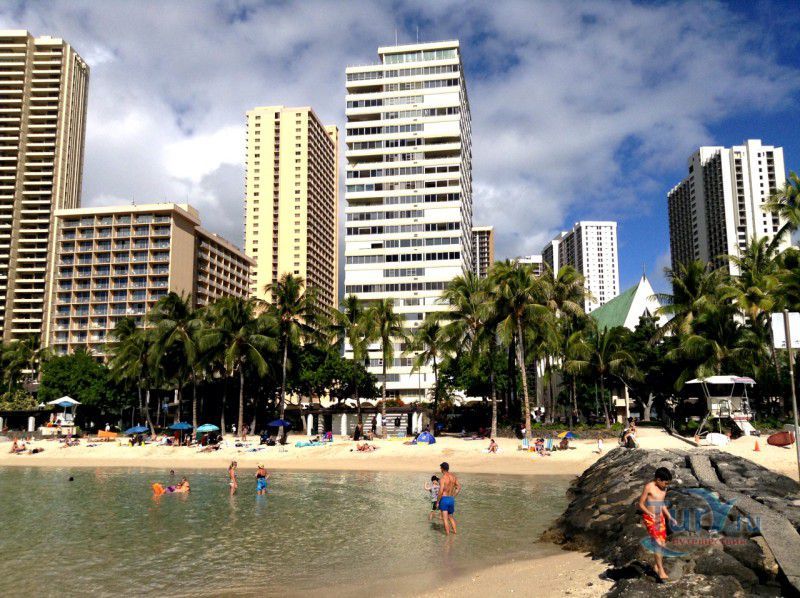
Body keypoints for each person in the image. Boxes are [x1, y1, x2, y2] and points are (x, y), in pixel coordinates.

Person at [637, 467, 678, 582]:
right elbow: (640, 504)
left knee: (663, 544)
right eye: (665, 483)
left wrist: (669, 517)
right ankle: (660, 570)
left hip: (660, 518)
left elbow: (661, 503)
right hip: (650, 518)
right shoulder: (649, 487)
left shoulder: (664, 488)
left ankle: (656, 565)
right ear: (658, 479)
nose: (666, 485)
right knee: (658, 544)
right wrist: (649, 513)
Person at [436, 462, 461, 535]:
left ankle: (447, 536)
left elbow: (441, 491)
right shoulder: (453, 477)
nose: (440, 469)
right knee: (450, 517)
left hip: (444, 499)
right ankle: (455, 533)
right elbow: (459, 487)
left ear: (442, 469)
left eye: (440, 468)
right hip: (451, 499)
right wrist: (454, 495)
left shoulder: (443, 479)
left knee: (445, 519)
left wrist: (437, 502)